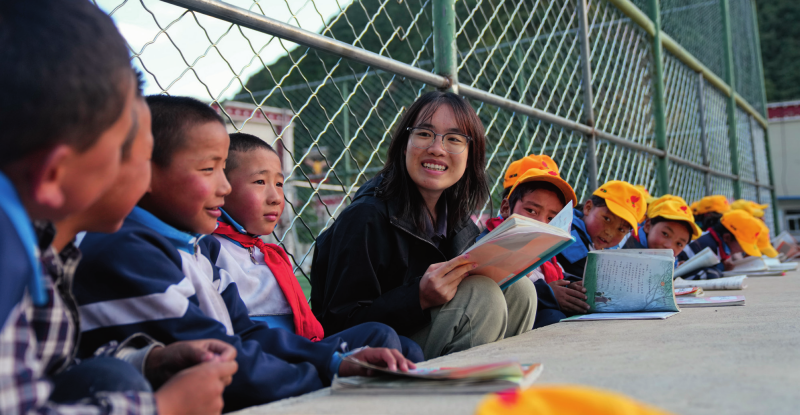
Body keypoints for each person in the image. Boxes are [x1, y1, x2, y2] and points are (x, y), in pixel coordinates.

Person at [73, 95, 415, 412]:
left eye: (223, 169)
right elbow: (220, 362)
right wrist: (327, 378)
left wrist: (334, 362)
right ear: (144, 172)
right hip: (212, 393)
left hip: (236, 374)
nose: (224, 187)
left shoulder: (199, 247)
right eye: (208, 169)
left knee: (385, 345)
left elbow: (245, 333)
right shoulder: (129, 252)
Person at [0, 2, 234, 414]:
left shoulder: (45, 251)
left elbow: (44, 371)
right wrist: (163, 408)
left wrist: (149, 361)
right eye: (135, 155)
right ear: (54, 174)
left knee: (113, 375)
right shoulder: (9, 256)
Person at [311, 91, 538, 359]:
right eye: (424, 134)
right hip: (379, 354)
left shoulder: (459, 222)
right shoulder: (365, 217)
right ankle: (460, 386)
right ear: (404, 144)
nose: (437, 149)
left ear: (470, 155)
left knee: (521, 290)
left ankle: (503, 378)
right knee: (482, 296)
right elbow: (339, 325)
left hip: (421, 334)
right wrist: (417, 297)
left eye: (454, 139)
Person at [204, 132, 423, 361]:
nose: (275, 197)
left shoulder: (269, 255)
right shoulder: (210, 249)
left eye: (279, 184)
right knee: (381, 336)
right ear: (221, 187)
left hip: (301, 348)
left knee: (408, 349)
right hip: (267, 356)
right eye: (260, 182)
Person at [480, 155, 589, 328]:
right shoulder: (491, 246)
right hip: (506, 323)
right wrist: (549, 294)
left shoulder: (547, 251)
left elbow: (554, 277)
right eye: (531, 211)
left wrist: (572, 287)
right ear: (506, 207)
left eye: (551, 218)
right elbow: (502, 290)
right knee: (553, 317)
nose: (541, 223)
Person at [556, 181, 646, 280]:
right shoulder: (568, 231)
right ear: (588, 208)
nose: (610, 233)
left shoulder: (605, 249)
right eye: (607, 219)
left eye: (621, 229)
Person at [676, 210, 763, 280]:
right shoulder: (706, 245)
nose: (743, 250)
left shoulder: (715, 243)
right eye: (742, 245)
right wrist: (720, 267)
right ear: (727, 237)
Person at [623, 197, 702, 258]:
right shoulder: (626, 248)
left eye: (679, 244)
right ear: (648, 226)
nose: (669, 246)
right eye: (665, 234)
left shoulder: (664, 257)